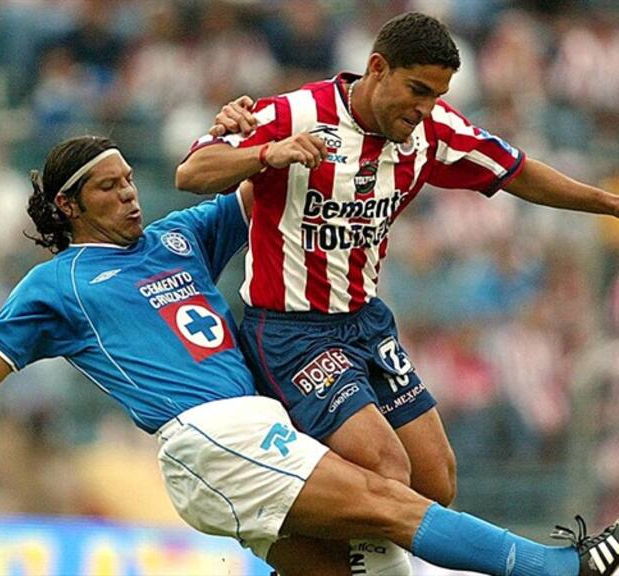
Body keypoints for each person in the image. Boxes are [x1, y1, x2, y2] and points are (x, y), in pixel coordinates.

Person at [0, 135, 619, 576]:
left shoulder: (178, 236)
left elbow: (263, 185)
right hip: (208, 437)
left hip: (253, 431)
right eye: (110, 188)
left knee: (375, 566)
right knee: (393, 503)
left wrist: (250, 134)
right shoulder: (59, 283)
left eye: (130, 181)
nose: (131, 195)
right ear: (69, 205)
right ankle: (558, 568)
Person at [176, 10, 619, 567]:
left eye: (437, 96)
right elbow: (192, 171)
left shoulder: (431, 132)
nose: (425, 108)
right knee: (386, 469)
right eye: (417, 90)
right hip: (292, 332)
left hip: (365, 323)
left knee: (436, 482)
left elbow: (517, 170)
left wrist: (609, 203)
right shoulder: (292, 114)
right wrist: (268, 154)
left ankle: (307, 557)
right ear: (378, 68)